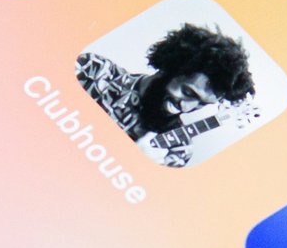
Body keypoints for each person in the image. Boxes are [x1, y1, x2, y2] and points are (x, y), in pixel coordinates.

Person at [76, 22, 257, 166]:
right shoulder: (92, 70)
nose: (187, 107)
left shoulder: (177, 148)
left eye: (202, 103)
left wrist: (139, 168)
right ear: (168, 68)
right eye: (188, 92)